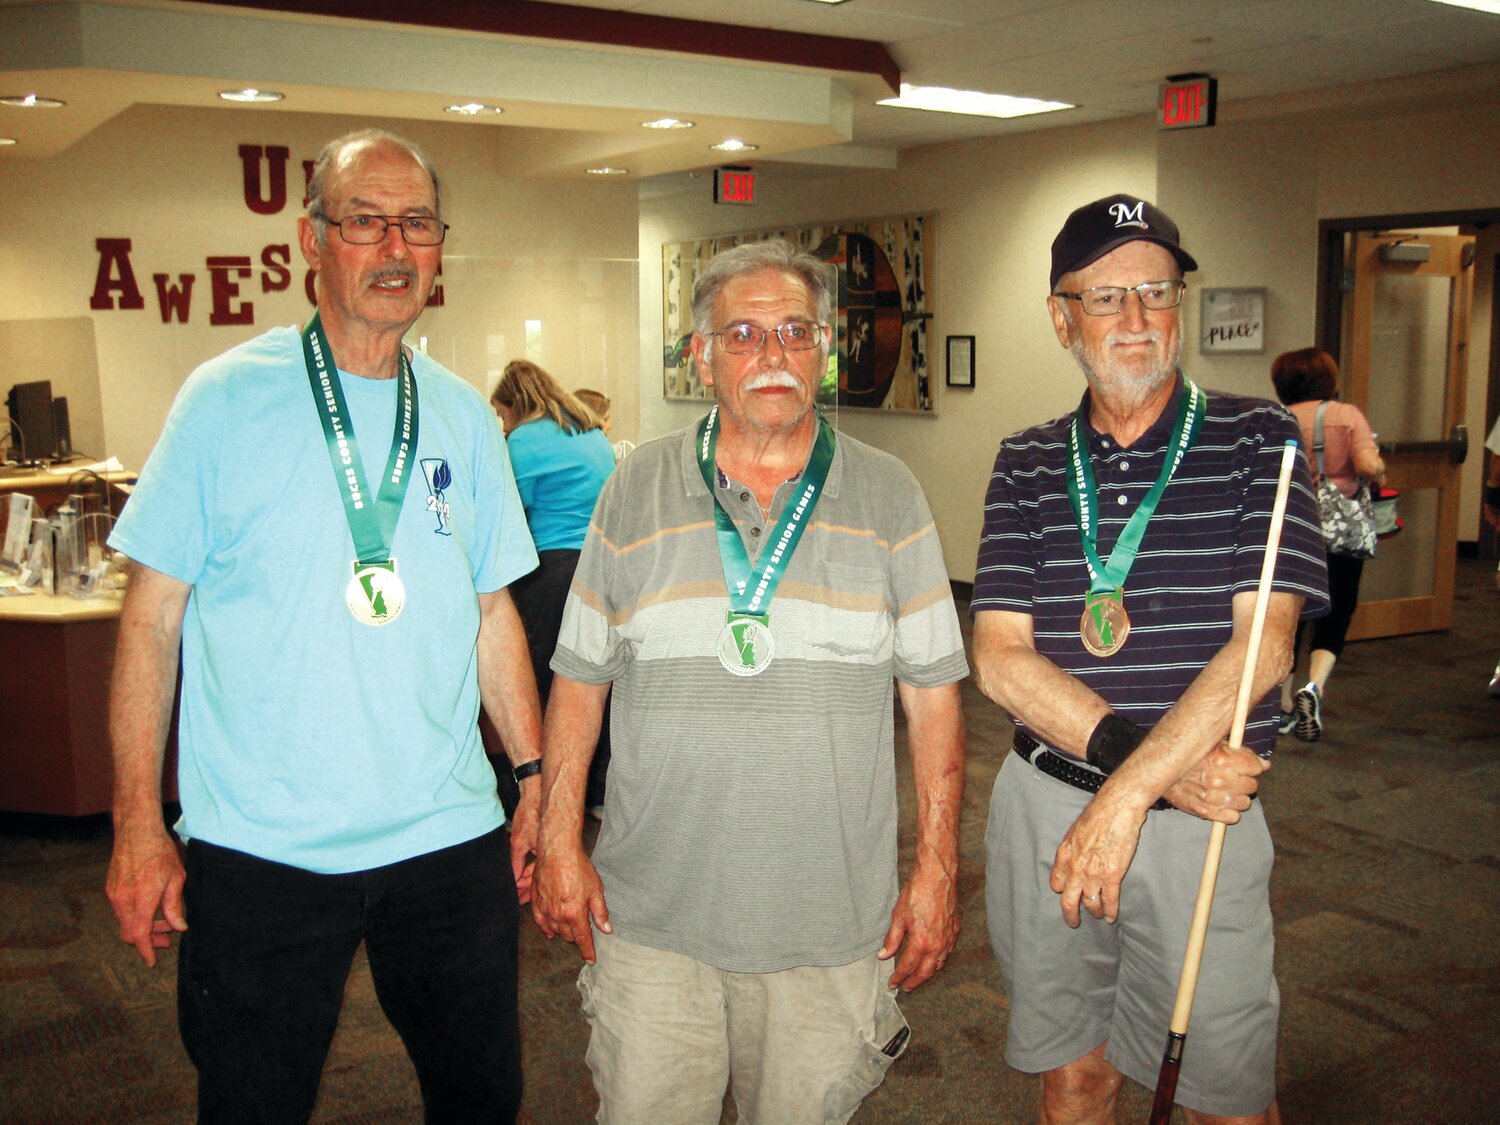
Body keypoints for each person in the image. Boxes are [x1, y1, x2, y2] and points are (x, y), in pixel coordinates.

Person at [104, 129, 543, 1124]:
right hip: (264, 849)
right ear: (313, 238)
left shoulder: (466, 416)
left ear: (440, 247)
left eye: (418, 224)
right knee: (253, 1101)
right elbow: (151, 625)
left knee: (482, 1098)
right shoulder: (223, 400)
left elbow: (490, 613)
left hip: (445, 837)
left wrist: (534, 778)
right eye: (365, 222)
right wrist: (137, 823)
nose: (395, 248)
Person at [531, 238, 969, 1123]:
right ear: (700, 355)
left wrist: (937, 868)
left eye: (795, 332)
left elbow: (933, 697)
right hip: (649, 918)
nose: (773, 355)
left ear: (825, 349)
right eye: (743, 334)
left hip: (828, 924)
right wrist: (558, 839)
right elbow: (580, 680)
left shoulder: (890, 494)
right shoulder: (633, 489)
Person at [971, 194, 1328, 1125]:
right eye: (1106, 297)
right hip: (1053, 801)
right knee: (1075, 1079)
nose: (1135, 320)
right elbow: (1000, 659)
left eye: (1156, 292)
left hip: (1200, 824)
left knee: (1225, 1098)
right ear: (1061, 318)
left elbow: (1266, 646)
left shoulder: (1262, 441)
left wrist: (1129, 799)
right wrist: (1144, 768)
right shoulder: (1026, 461)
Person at [490, 360, 615, 813]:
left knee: (537, 684)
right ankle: (595, 790)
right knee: (590, 681)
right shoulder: (589, 428)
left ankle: (531, 794)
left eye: (502, 415)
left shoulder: (523, 440)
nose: (503, 424)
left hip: (549, 572)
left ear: (514, 404)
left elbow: (508, 514)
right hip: (599, 570)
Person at [1270, 348, 1386, 739]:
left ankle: (1283, 705)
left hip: (1292, 531)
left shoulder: (1277, 419)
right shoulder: (1346, 415)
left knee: (1290, 618)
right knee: (1335, 615)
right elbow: (1369, 466)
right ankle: (1314, 687)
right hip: (1340, 533)